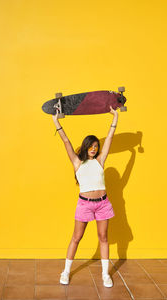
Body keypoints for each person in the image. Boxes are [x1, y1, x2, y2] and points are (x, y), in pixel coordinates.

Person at [52, 105, 118, 288]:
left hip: (103, 203)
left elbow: (110, 138)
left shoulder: (100, 161)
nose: (94, 148)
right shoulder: (77, 162)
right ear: (86, 146)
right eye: (91, 145)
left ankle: (105, 275)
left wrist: (115, 118)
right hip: (85, 205)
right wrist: (56, 121)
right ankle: (65, 271)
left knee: (103, 237)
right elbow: (66, 141)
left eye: (96, 146)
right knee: (76, 237)